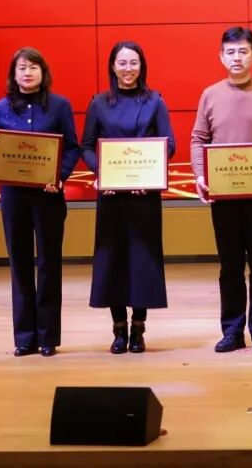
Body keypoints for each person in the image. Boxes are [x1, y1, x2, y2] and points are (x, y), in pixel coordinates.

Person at [191, 27, 252, 353]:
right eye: (231, 52)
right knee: (230, 266)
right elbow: (198, 139)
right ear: (222, 57)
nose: (237, 58)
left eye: (243, 51)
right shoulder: (210, 94)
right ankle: (232, 330)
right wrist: (201, 175)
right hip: (224, 198)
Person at [81, 41, 176, 355]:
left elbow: (169, 145)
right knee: (114, 261)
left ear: (141, 66)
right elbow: (86, 146)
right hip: (111, 196)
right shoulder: (98, 103)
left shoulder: (155, 102)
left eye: (133, 62)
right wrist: (103, 173)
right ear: (112, 66)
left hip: (144, 196)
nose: (128, 69)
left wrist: (148, 175)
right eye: (122, 63)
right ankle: (118, 329)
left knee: (141, 262)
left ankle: (138, 328)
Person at [0, 47, 80, 357]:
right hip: (13, 197)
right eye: (22, 68)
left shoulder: (60, 105)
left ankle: (48, 336)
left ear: (43, 72)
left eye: (33, 67)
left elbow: (72, 147)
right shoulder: (1, 107)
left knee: (49, 264)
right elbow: (0, 154)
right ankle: (24, 337)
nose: (28, 73)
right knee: (20, 264)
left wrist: (60, 177)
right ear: (14, 75)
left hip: (48, 196)